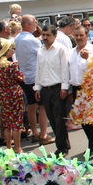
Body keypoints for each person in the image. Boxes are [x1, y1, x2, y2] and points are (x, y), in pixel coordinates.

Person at [34, 25, 70, 157]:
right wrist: (37, 87)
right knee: (52, 119)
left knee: (59, 119)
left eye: (48, 35)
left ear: (55, 36)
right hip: (45, 88)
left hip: (57, 88)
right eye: (43, 35)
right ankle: (63, 143)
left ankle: (62, 148)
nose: (45, 37)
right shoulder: (40, 50)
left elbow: (65, 69)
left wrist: (64, 87)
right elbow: (38, 69)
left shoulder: (61, 49)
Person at [15, 15, 52, 145]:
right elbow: (43, 55)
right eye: (35, 22)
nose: (37, 25)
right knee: (42, 106)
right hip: (35, 77)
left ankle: (35, 133)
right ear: (29, 24)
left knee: (31, 105)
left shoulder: (17, 38)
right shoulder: (32, 40)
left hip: (24, 77)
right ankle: (43, 134)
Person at [69, 25, 93, 160]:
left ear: (87, 35)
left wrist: (87, 58)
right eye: (76, 35)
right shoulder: (71, 52)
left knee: (92, 120)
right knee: (82, 119)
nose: (78, 38)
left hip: (90, 88)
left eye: (81, 35)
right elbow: (70, 71)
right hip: (77, 88)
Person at [0, 39, 24, 153]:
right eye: (12, 48)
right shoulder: (11, 65)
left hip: (2, 95)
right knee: (16, 122)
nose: (13, 51)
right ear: (6, 50)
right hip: (13, 94)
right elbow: (21, 78)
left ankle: (8, 147)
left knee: (7, 122)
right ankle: (17, 148)